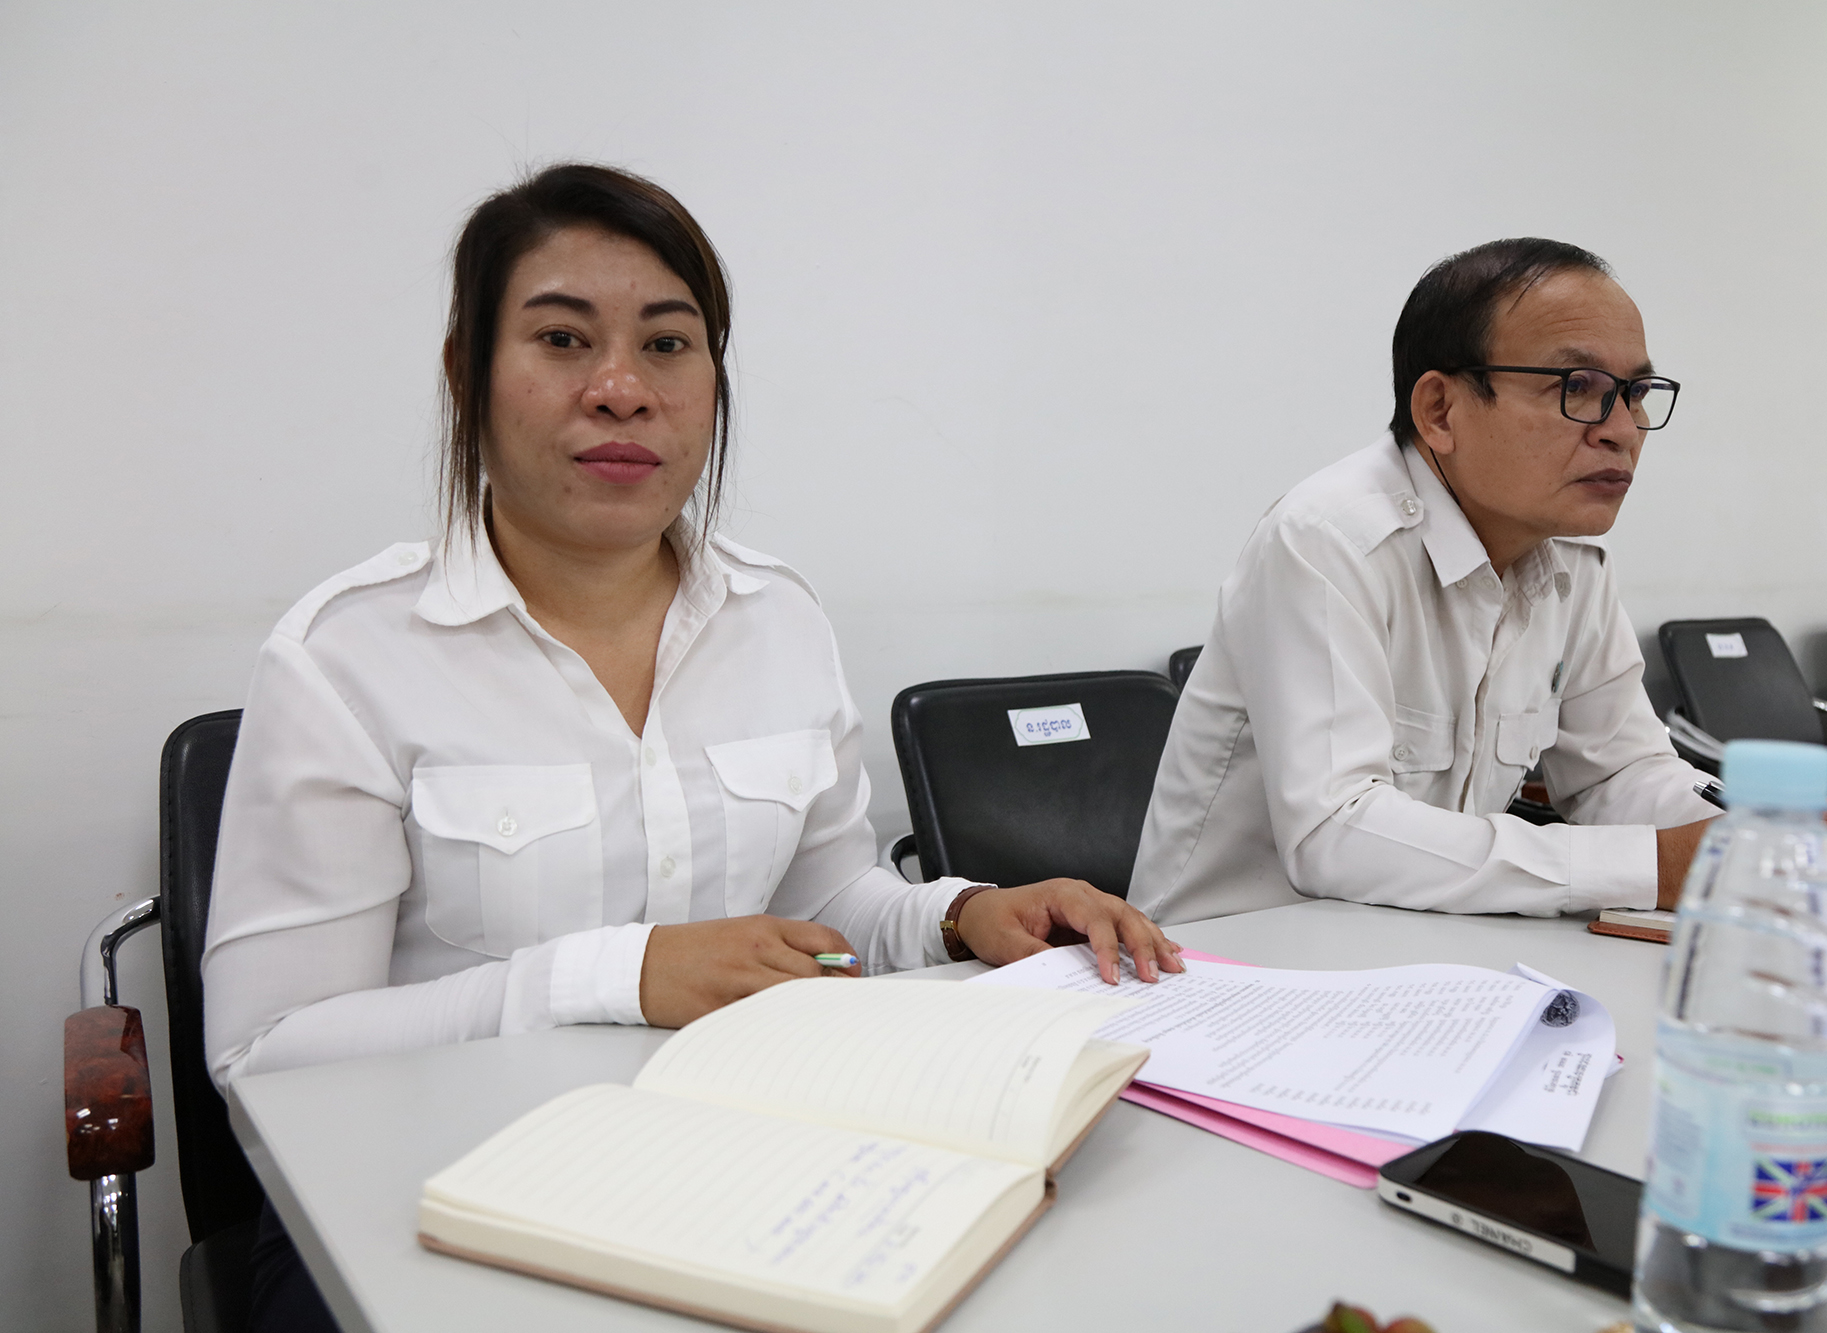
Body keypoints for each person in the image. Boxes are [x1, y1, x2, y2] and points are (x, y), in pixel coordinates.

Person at [202, 164, 1180, 1329]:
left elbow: (824, 903)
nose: (620, 390)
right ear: (465, 373)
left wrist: (961, 915)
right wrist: (614, 976)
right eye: (562, 339)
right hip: (419, 1198)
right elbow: (268, 1051)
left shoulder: (778, 618)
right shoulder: (347, 655)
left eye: (667, 345)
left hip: (732, 1168)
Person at [1129, 237, 1827, 926]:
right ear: (1440, 410)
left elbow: (1617, 772)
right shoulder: (1327, 542)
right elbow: (1335, 832)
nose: (1622, 429)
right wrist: (1657, 866)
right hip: (1232, 966)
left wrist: (1756, 833)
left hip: (1421, 953)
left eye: (1636, 393)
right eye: (1578, 385)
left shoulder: (1571, 565)